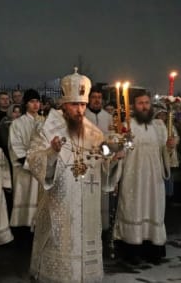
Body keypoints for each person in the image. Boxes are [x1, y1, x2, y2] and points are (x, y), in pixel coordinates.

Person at [26, 70, 118, 282]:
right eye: (75, 105)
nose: (80, 110)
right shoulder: (47, 127)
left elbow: (101, 155)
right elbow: (33, 158)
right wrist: (52, 152)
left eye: (83, 105)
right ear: (64, 104)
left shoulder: (94, 132)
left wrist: (112, 155)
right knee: (62, 238)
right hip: (61, 198)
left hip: (87, 199)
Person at [113, 90, 171, 264]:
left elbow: (165, 153)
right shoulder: (126, 125)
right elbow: (120, 151)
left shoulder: (160, 127)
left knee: (154, 210)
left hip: (154, 180)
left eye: (147, 102)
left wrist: (170, 147)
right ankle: (132, 251)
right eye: (140, 103)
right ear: (134, 106)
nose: (145, 106)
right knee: (133, 209)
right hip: (134, 179)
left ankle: (153, 251)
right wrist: (118, 159)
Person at [9, 89, 42, 232]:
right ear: (26, 104)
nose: (35, 105)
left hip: (41, 169)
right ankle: (22, 230)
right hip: (24, 170)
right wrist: (31, 164)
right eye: (32, 101)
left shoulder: (45, 121)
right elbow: (15, 147)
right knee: (24, 198)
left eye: (37, 101)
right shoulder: (17, 124)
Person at [84, 86, 113, 231]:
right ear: (89, 99)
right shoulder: (83, 115)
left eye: (99, 98)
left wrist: (107, 154)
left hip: (102, 161)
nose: (97, 100)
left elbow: (110, 139)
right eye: (94, 97)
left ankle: (101, 226)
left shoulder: (107, 117)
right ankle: (86, 225)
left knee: (102, 194)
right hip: (86, 160)